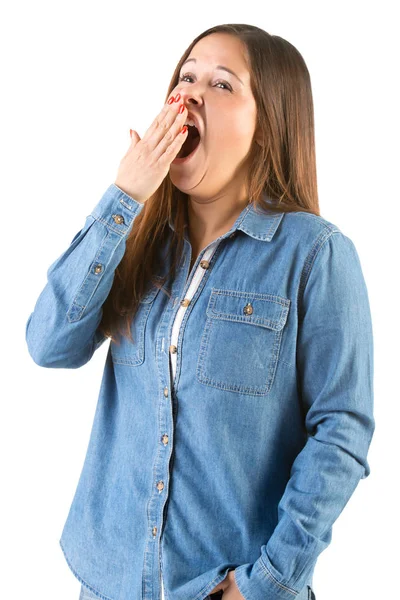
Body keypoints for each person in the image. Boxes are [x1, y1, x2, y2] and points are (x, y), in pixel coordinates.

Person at [25, 23, 375, 600]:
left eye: (221, 84)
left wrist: (265, 584)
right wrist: (124, 198)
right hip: (109, 583)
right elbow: (48, 344)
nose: (190, 93)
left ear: (268, 127)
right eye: (186, 76)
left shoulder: (316, 254)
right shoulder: (136, 238)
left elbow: (341, 434)